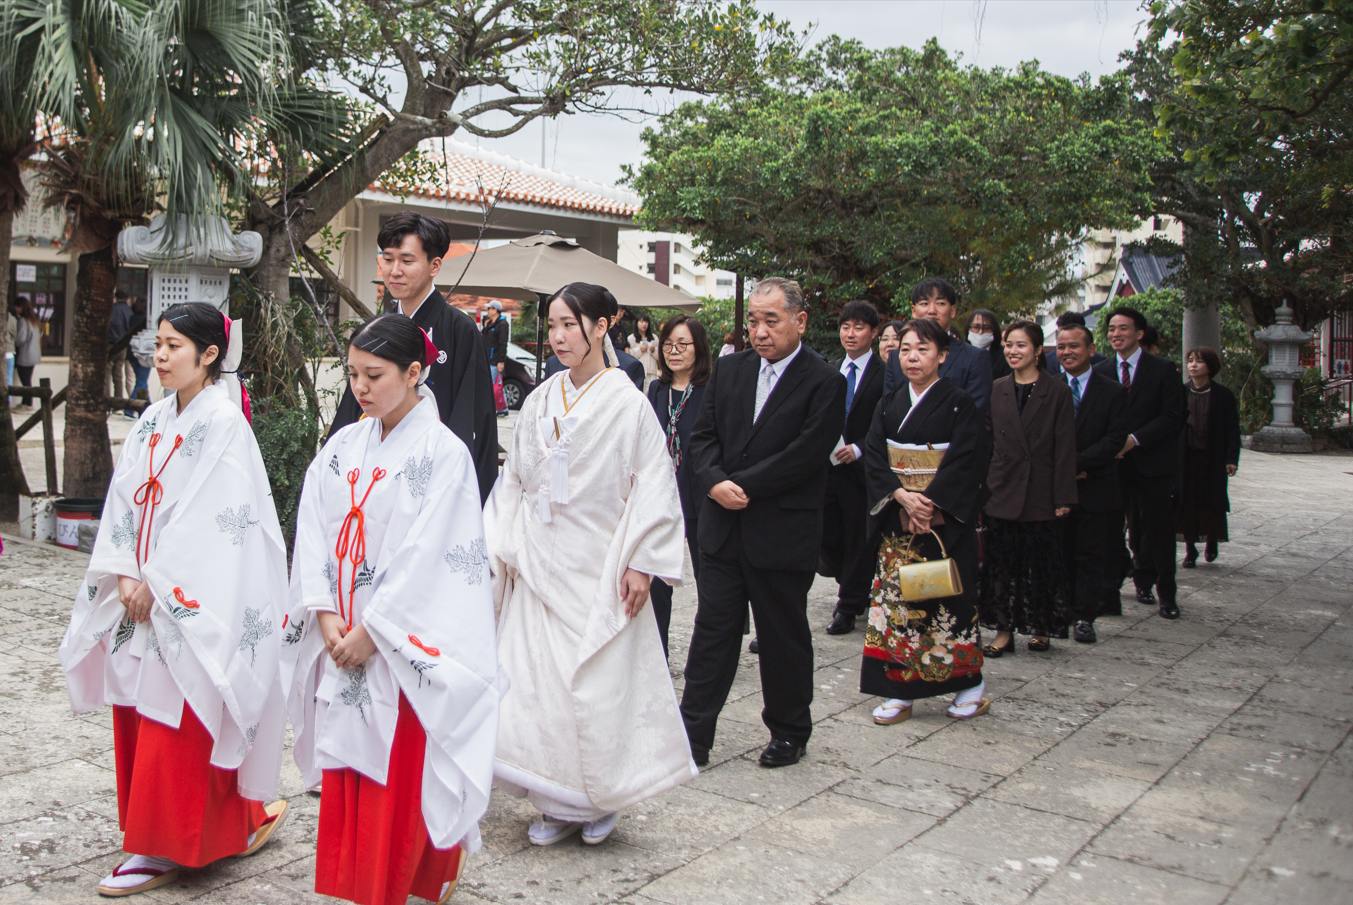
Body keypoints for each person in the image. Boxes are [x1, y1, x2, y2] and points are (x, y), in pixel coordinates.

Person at [58, 302, 290, 897]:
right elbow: (124, 497)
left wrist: (157, 582)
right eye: (157, 344)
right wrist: (124, 572)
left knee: (182, 715)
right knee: (142, 710)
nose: (159, 357)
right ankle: (210, 825)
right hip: (139, 590)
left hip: (187, 599)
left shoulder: (225, 422)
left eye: (173, 346)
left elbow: (216, 521)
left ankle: (163, 846)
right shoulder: (154, 418)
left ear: (210, 355)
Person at [283, 314, 502, 905]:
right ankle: (358, 885)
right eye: (353, 373)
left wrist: (373, 632)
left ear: (413, 373)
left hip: (399, 644)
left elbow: (432, 556)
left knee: (396, 775)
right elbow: (313, 529)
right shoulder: (343, 446)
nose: (360, 387)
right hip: (342, 629)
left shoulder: (445, 454)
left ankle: (392, 885)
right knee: (349, 764)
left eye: (374, 375)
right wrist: (324, 613)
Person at [485, 282, 692, 847]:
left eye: (569, 325)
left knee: (596, 683)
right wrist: (500, 544)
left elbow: (654, 483)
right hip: (538, 554)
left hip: (599, 560)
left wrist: (642, 562)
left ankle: (598, 798)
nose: (558, 337)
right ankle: (554, 798)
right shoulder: (540, 398)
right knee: (538, 685)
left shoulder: (628, 403)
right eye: (552, 325)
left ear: (603, 326)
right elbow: (515, 478)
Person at [679, 277, 847, 769]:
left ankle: (789, 730)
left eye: (771, 320)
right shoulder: (730, 370)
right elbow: (702, 436)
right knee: (713, 632)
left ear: (800, 321)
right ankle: (692, 735)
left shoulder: (824, 380)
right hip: (723, 528)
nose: (760, 331)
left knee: (782, 636)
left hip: (781, 530)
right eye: (754, 321)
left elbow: (806, 454)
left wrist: (742, 485)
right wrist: (714, 482)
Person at [862, 318, 991, 723]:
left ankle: (970, 685)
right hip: (899, 518)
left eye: (923, 349)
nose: (912, 357)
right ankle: (899, 689)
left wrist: (932, 504)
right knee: (899, 606)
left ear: (942, 356)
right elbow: (875, 455)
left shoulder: (959, 403)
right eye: (905, 350)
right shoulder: (889, 403)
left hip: (943, 523)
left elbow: (968, 459)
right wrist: (901, 495)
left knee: (948, 603)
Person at [329, 212, 498, 504]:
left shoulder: (460, 330)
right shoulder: (377, 329)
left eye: (407, 261)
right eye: (387, 259)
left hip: (434, 479)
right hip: (375, 476)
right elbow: (353, 409)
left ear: (435, 266)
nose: (394, 270)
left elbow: (473, 417)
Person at [980, 321, 1077, 654]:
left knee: (1041, 563)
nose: (1013, 351)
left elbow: (1065, 447)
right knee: (1000, 564)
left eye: (1021, 345)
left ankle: (1040, 625)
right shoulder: (998, 388)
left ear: (1037, 351)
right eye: (1008, 345)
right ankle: (1003, 630)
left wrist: (1063, 496)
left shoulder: (1057, 391)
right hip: (1002, 487)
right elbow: (988, 440)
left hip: (1039, 490)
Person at [1094, 306, 1185, 620]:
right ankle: (1110, 594)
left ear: (1139, 333)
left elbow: (1173, 416)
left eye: (1123, 328)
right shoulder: (1101, 370)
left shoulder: (1162, 369)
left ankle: (1166, 594)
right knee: (1110, 530)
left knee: (1158, 531)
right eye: (1112, 329)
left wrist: (1134, 439)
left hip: (1152, 463)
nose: (1116, 334)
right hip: (1113, 465)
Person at [1054, 323, 1129, 645]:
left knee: (1090, 554)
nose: (1067, 352)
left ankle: (1085, 617)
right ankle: (1062, 611)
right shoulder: (1048, 387)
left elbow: (1114, 439)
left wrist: (1076, 464)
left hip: (1096, 486)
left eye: (1074, 346)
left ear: (1091, 349)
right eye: (1061, 347)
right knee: (1060, 553)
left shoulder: (1112, 391)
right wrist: (1062, 469)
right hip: (1056, 489)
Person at [646, 314, 713, 657]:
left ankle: (708, 655)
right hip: (663, 498)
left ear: (698, 348)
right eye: (668, 344)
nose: (674, 351)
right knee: (657, 581)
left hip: (701, 497)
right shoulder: (656, 390)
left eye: (683, 344)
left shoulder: (711, 391)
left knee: (710, 581)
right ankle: (657, 653)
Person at [822, 300, 885, 636]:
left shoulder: (885, 374)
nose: (850, 333)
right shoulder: (830, 370)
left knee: (858, 538)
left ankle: (847, 606)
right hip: (828, 468)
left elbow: (886, 422)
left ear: (873, 333)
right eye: (846, 327)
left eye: (858, 327)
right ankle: (851, 581)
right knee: (827, 535)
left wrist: (860, 448)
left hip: (862, 471)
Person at [883, 278, 993, 411]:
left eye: (940, 303)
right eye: (924, 303)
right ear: (914, 311)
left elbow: (974, 412)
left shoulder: (974, 358)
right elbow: (887, 408)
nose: (932, 310)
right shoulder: (896, 358)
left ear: (952, 310)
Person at [1177, 347, 1241, 567]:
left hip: (1212, 457)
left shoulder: (1223, 395)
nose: (1193, 365)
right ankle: (1190, 549)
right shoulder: (1181, 392)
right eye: (1190, 361)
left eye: (1199, 361)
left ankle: (1211, 539)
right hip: (1186, 457)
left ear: (1210, 366)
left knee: (1211, 501)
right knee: (1186, 502)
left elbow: (1232, 429)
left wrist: (1231, 458)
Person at [1045, 311, 1105, 376]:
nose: (1066, 352)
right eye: (1062, 333)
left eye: (1073, 346)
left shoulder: (1100, 362)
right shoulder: (1045, 362)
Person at [481, 300, 511, 416]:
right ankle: (503, 408)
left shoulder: (502, 324)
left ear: (495, 310)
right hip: (488, 359)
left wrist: (501, 361)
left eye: (489, 309)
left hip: (494, 360)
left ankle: (495, 408)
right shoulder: (490, 324)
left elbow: (503, 344)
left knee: (492, 385)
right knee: (496, 385)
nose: (487, 311)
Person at [13, 297, 42, 409]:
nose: (16, 309)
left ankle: (27, 404)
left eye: (17, 307)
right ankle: (25, 402)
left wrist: (14, 340)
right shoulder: (34, 320)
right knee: (27, 380)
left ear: (21, 307)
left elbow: (21, 338)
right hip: (34, 355)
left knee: (25, 381)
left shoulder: (23, 321)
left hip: (25, 355)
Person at [964, 308, 1010, 380]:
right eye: (976, 327)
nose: (980, 332)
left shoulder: (1004, 356)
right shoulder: (959, 354)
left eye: (986, 328)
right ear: (968, 328)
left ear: (994, 330)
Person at [127, 296, 152, 417]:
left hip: (132, 352)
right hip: (144, 352)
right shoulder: (147, 319)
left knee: (141, 382)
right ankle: (129, 409)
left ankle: (148, 408)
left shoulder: (132, 317)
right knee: (141, 383)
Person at [108, 291, 135, 402]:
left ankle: (106, 400)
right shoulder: (128, 311)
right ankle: (118, 400)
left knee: (106, 373)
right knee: (118, 374)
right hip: (123, 345)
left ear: (115, 298)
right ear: (127, 300)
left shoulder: (111, 309)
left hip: (109, 344)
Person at [628, 314, 660, 383]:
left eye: (646, 322)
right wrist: (640, 350)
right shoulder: (631, 338)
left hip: (651, 372)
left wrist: (653, 350)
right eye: (641, 322)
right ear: (637, 323)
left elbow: (660, 355)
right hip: (637, 372)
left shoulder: (654, 338)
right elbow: (629, 355)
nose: (644, 324)